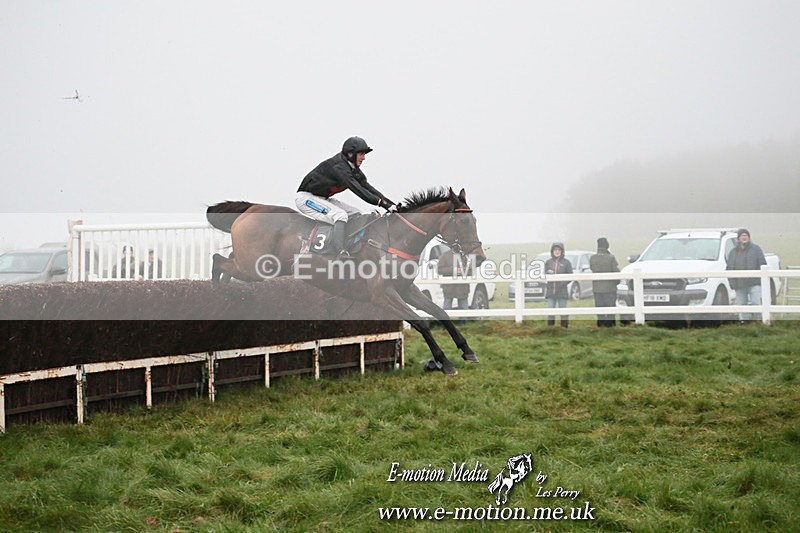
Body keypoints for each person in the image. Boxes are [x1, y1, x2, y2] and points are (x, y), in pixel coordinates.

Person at [296, 136, 397, 257]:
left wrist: (391, 204)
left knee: (356, 213)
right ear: (350, 154)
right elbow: (358, 190)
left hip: (322, 199)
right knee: (340, 215)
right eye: (361, 154)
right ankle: (340, 252)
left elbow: (367, 187)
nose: (364, 158)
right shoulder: (340, 167)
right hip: (306, 199)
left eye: (364, 154)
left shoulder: (352, 168)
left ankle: (349, 244)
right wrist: (382, 204)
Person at [725, 228, 767, 322]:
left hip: (754, 283)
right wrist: (732, 282)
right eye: (742, 236)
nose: (744, 237)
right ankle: (744, 323)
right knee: (741, 306)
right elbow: (729, 268)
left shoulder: (756, 249)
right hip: (739, 284)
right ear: (738, 238)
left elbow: (763, 264)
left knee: (756, 303)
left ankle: (759, 322)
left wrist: (758, 278)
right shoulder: (733, 252)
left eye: (746, 235)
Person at [589, 237, 620, 327]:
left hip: (597, 289)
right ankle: (610, 326)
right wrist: (616, 282)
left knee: (600, 308)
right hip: (610, 288)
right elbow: (616, 272)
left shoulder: (593, 258)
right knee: (610, 309)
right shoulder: (611, 257)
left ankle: (600, 325)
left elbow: (592, 268)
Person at [437, 249, 471, 324]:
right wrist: (453, 270)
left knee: (463, 307)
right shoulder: (445, 255)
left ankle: (463, 324)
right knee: (447, 306)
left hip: (463, 287)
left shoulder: (466, 256)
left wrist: (462, 270)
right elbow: (439, 270)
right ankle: (446, 324)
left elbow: (471, 270)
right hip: (449, 287)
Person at [544, 242, 573, 328]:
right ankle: (550, 328)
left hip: (562, 291)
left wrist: (562, 283)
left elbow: (570, 276)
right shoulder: (548, 262)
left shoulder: (567, 263)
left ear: (562, 251)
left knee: (563, 311)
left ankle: (564, 328)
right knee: (550, 311)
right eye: (555, 250)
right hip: (550, 291)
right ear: (552, 251)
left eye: (559, 250)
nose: (557, 251)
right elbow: (544, 274)